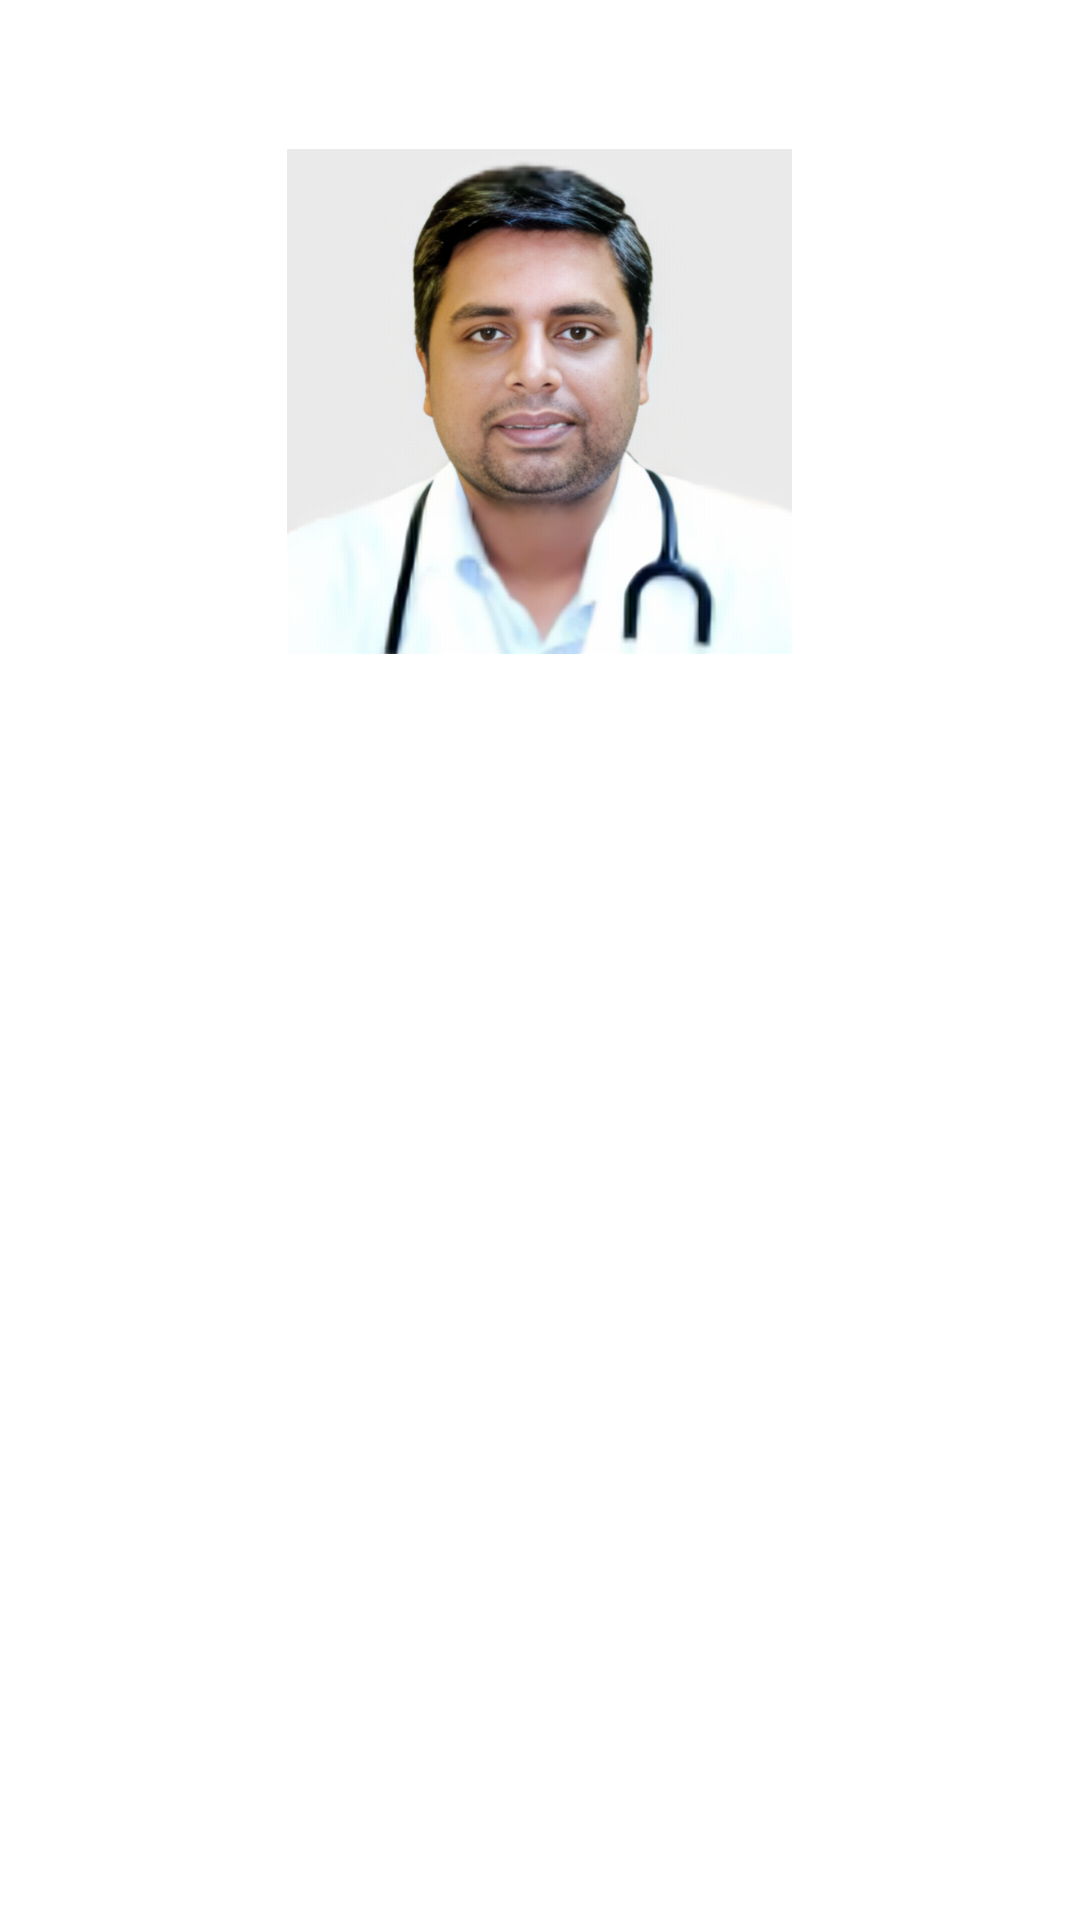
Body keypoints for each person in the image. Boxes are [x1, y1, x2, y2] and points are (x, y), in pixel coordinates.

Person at [287, 166, 791, 655]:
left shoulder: (775, 576)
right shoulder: (306, 587)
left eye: (578, 331)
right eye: (487, 333)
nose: (532, 372)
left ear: (641, 363)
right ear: (426, 372)